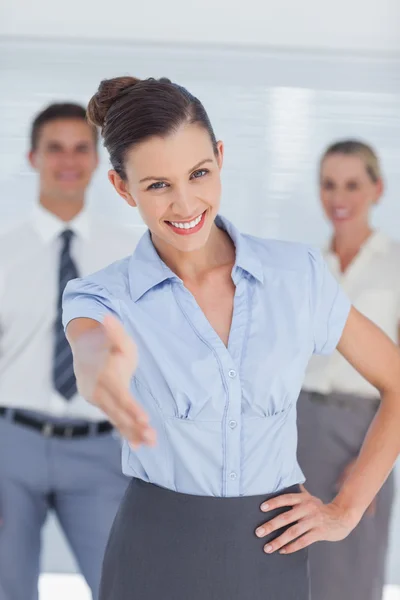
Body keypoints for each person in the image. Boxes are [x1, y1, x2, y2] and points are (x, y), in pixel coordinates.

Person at [63, 77, 400, 600]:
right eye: (157, 185)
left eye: (199, 173)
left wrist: (346, 509)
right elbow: (89, 351)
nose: (185, 203)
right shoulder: (102, 296)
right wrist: (100, 368)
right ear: (122, 188)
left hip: (271, 551)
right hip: (154, 552)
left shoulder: (297, 275)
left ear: (220, 157)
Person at [0, 103, 142, 600]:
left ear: (98, 160)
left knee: (121, 583)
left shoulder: (131, 255)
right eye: (54, 148)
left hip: (100, 446)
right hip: (10, 445)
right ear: (33, 157)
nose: (68, 160)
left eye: (80, 147)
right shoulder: (3, 252)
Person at [297, 140, 400, 600]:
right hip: (298, 423)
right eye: (329, 185)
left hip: (366, 426)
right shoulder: (307, 267)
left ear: (378, 189)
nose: (339, 198)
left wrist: (368, 465)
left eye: (353, 185)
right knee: (289, 555)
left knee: (351, 569)